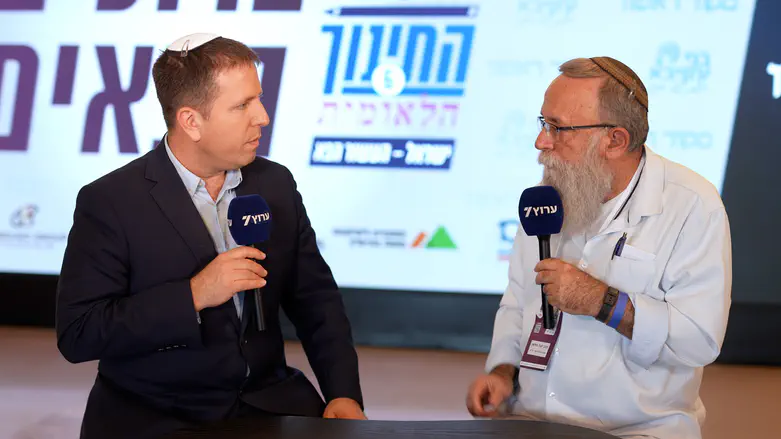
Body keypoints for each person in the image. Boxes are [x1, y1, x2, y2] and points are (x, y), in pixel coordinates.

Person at [55, 33, 365, 439]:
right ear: (191, 121)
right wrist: (194, 294)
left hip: (269, 403)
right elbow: (79, 334)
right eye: (242, 106)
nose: (263, 117)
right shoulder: (110, 201)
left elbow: (315, 300)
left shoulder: (275, 184)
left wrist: (343, 393)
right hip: (156, 416)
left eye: (258, 99)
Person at [466, 56, 732, 439]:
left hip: (637, 431)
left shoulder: (692, 205)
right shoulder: (549, 194)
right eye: (543, 123)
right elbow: (518, 301)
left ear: (615, 140)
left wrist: (601, 301)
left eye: (558, 128)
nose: (541, 142)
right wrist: (503, 372)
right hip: (531, 423)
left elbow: (699, 340)